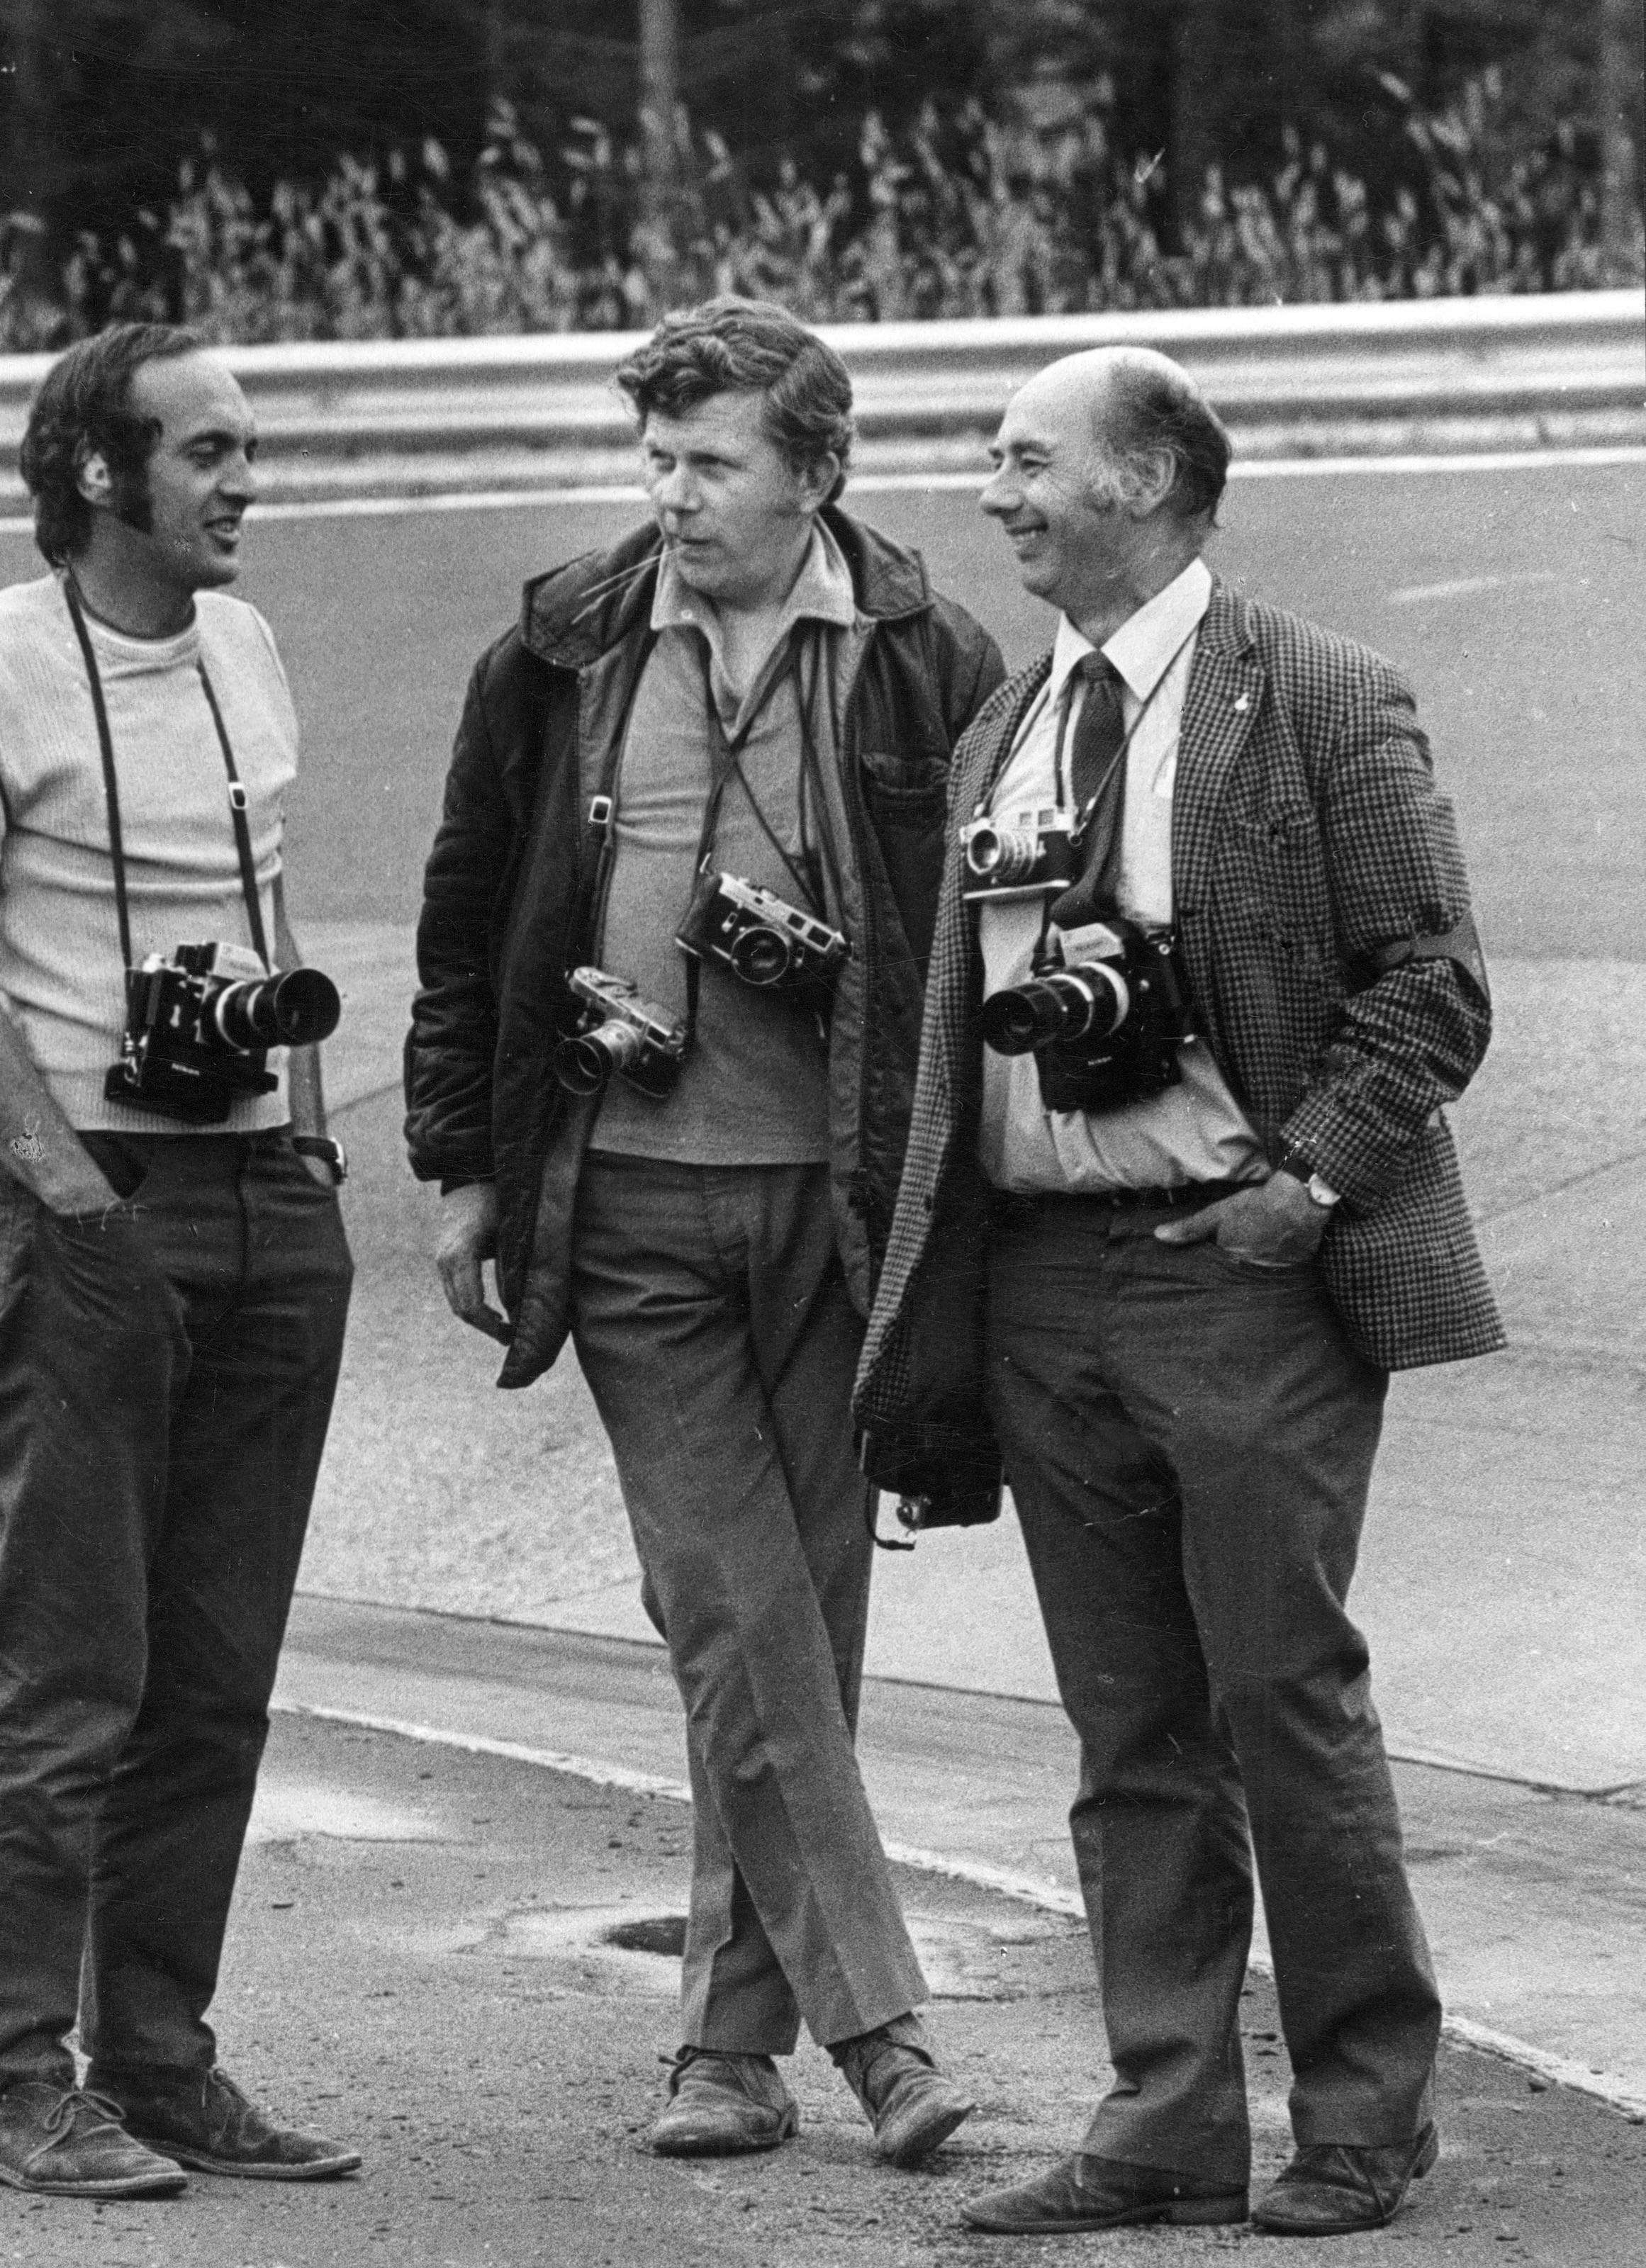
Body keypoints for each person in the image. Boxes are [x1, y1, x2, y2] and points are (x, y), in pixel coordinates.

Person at [855, 346, 1502, 2239]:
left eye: (1025, 461)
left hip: (1235, 1273)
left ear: (1145, 479)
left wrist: (1304, 1182)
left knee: (1279, 1698)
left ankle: (1361, 2117)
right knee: (1126, 1728)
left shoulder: (1311, 694)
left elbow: (1430, 984)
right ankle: (1162, 2117)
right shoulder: (1005, 724)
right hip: (1046, 1282)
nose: (994, 495)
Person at [406, 298, 1004, 2165]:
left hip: (839, 1208)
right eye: (654, 460)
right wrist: (461, 1165)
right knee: (733, 1603)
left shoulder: (923, 652)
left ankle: (726, 2052)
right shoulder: (564, 641)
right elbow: (463, 908)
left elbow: (977, 933)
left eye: (710, 463)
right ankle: (886, 2035)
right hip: (632, 1203)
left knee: (790, 1638)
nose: (670, 496)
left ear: (815, 470)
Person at [0, 323, 359, 2199]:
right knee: (72, 1670)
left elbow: (272, 909)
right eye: (211, 452)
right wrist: (64, 1183)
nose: (247, 480)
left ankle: (156, 2058)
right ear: (99, 473)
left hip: (264, 1200)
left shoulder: (242, 646)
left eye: (248, 449)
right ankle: (9, 2082)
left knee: (217, 1674)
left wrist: (310, 1140)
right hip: (96, 1204)